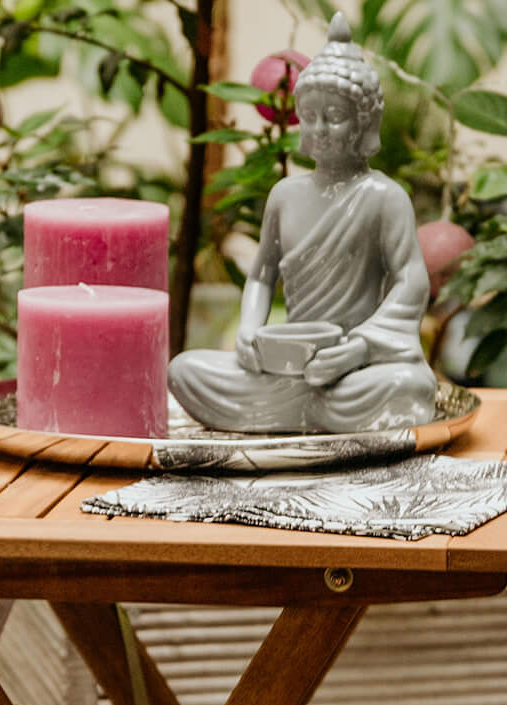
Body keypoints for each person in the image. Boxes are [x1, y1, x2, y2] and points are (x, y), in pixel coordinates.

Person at [167, 14, 437, 435]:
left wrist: (360, 348)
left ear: (364, 122)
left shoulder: (385, 198)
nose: (321, 128)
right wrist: (250, 330)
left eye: (335, 116)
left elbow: (411, 281)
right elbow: (260, 275)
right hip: (289, 368)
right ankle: (307, 410)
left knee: (410, 387)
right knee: (185, 371)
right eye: (310, 115)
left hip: (351, 369)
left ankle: (293, 413)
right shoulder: (285, 195)